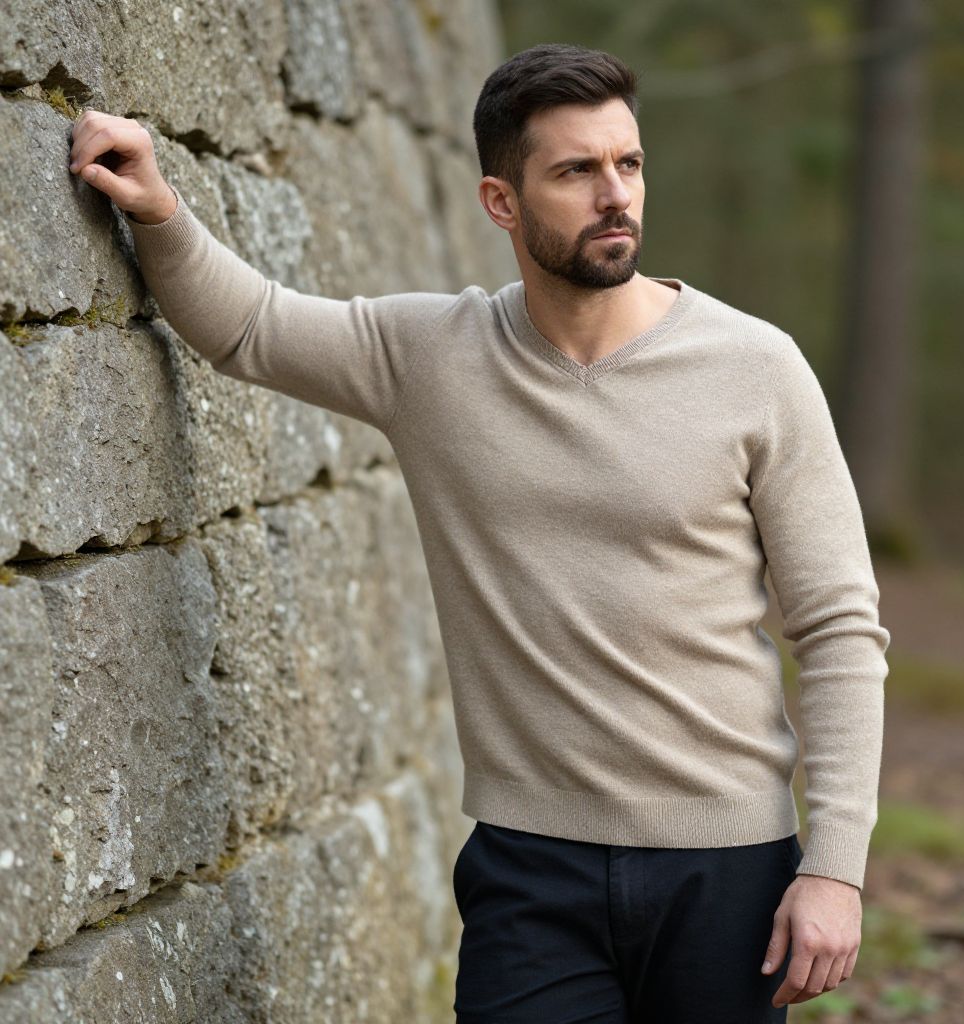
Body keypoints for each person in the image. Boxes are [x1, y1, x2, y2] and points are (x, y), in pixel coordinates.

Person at [68, 40, 890, 1024]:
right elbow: (248, 325)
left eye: (626, 164)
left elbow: (839, 630)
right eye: (576, 171)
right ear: (500, 202)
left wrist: (834, 867)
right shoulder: (430, 355)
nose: (614, 195)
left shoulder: (757, 368)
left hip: (726, 869)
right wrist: (158, 209)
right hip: (529, 871)